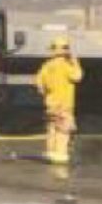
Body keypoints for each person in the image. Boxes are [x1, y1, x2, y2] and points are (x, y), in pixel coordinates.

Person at [36, 36, 84, 170]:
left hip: (51, 105)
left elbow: (39, 85)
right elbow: (77, 76)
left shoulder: (46, 66)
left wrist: (48, 94)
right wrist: (75, 63)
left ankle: (51, 153)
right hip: (64, 105)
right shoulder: (65, 65)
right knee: (63, 131)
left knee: (52, 130)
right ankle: (60, 156)